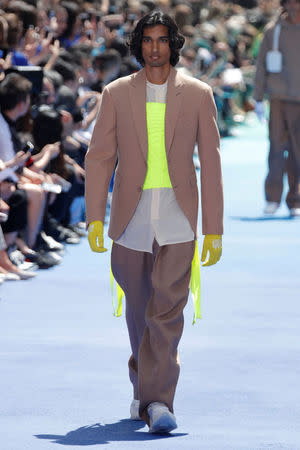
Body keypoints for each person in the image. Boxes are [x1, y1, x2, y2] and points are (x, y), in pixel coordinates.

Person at [85, 11, 223, 434]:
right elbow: (100, 157)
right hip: (132, 214)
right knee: (141, 312)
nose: (155, 48)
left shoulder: (199, 94)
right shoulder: (116, 93)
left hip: (179, 213)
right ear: (138, 44)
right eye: (147, 40)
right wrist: (94, 216)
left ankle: (159, 402)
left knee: (167, 312)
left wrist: (214, 226)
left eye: (162, 40)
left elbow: (212, 163)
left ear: (174, 44)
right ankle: (144, 386)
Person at [253, 0, 300, 217]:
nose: (294, 6)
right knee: (276, 149)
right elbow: (261, 64)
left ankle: (295, 199)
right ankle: (272, 197)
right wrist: (259, 98)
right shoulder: (274, 31)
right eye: (290, 2)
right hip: (279, 98)